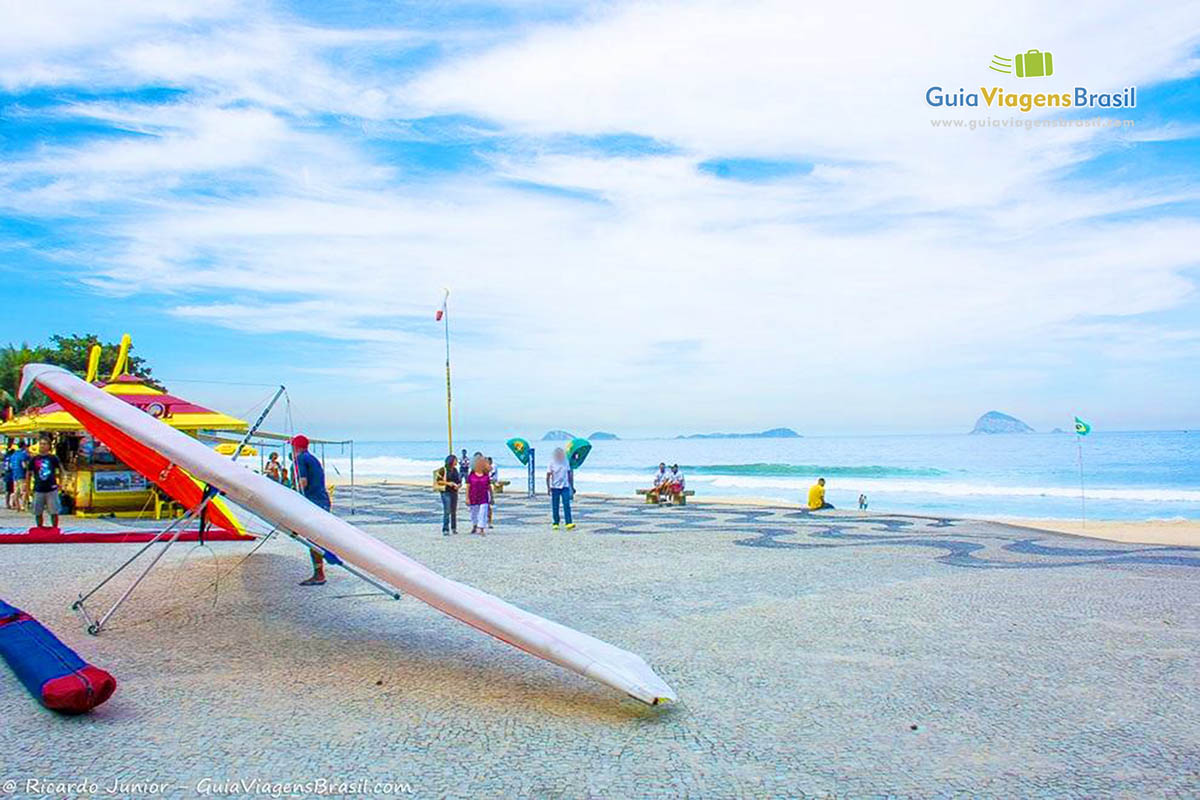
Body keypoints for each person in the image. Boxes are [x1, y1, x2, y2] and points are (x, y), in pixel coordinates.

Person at [292, 435, 331, 586]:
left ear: (295, 447)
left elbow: (302, 482)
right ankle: (319, 572)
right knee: (316, 538)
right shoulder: (311, 458)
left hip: (314, 503)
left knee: (314, 540)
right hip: (322, 501)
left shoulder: (300, 459)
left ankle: (319, 575)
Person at [29, 437, 63, 529]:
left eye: (44, 444)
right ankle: (39, 527)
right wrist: (28, 487)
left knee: (54, 511)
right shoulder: (34, 458)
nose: (42, 446)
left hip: (51, 488)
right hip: (38, 488)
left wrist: (61, 483)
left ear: (49, 446)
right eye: (41, 444)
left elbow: (61, 470)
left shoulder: (53, 458)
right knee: (38, 511)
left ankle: (55, 528)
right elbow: (28, 472)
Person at [546, 447, 575, 530]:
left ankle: (568, 522)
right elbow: (548, 476)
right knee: (555, 505)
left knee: (566, 504)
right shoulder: (551, 463)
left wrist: (572, 486)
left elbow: (569, 474)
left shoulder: (566, 462)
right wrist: (548, 488)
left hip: (565, 486)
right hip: (555, 487)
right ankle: (555, 522)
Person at [434, 455, 460, 536]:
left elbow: (458, 480)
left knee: (453, 511)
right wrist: (449, 483)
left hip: (454, 491)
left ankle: (454, 528)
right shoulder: (443, 470)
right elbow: (438, 481)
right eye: (455, 460)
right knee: (447, 510)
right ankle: (445, 529)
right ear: (451, 461)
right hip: (446, 492)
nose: (457, 462)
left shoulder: (455, 470)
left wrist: (458, 485)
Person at [466, 455, 491, 535]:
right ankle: (474, 525)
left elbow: (489, 487)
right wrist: (467, 498)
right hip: (473, 496)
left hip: (484, 497)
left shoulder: (486, 476)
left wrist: (492, 497)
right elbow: (468, 487)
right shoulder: (471, 476)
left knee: (483, 512)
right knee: (474, 513)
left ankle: (481, 528)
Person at [11, 441, 32, 512]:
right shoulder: (24, 454)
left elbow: (11, 465)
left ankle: (17, 506)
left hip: (14, 475)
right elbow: (24, 465)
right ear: (24, 446)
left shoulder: (14, 454)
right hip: (22, 475)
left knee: (16, 491)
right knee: (24, 491)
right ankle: (23, 506)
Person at [486, 457, 498, 528]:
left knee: (488, 507)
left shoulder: (493, 466)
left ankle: (489, 522)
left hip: (487, 489)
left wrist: (492, 497)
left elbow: (492, 475)